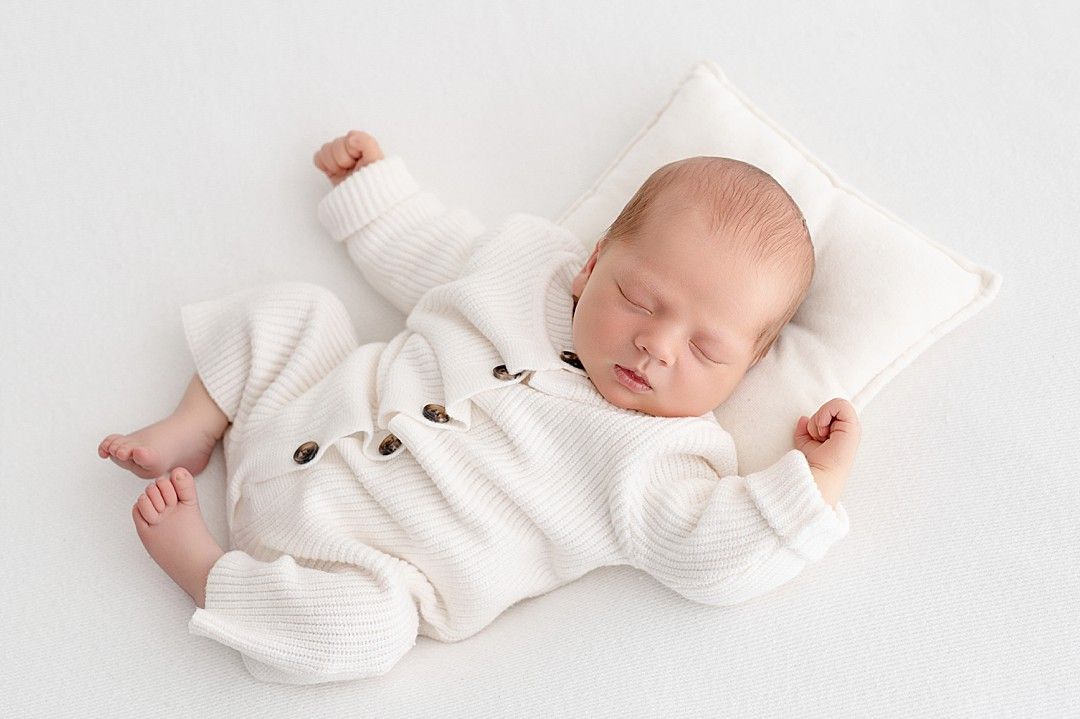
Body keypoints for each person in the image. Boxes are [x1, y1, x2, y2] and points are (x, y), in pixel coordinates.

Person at [97, 130, 861, 684]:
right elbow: (428, 249)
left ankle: (205, 570)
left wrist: (813, 482)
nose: (656, 346)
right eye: (637, 298)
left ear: (749, 367)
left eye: (706, 351)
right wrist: (375, 193)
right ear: (592, 265)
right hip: (293, 415)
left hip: (348, 563)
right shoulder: (526, 268)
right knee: (299, 309)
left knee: (371, 632)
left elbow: (714, 553)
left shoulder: (661, 466)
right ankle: (195, 428)